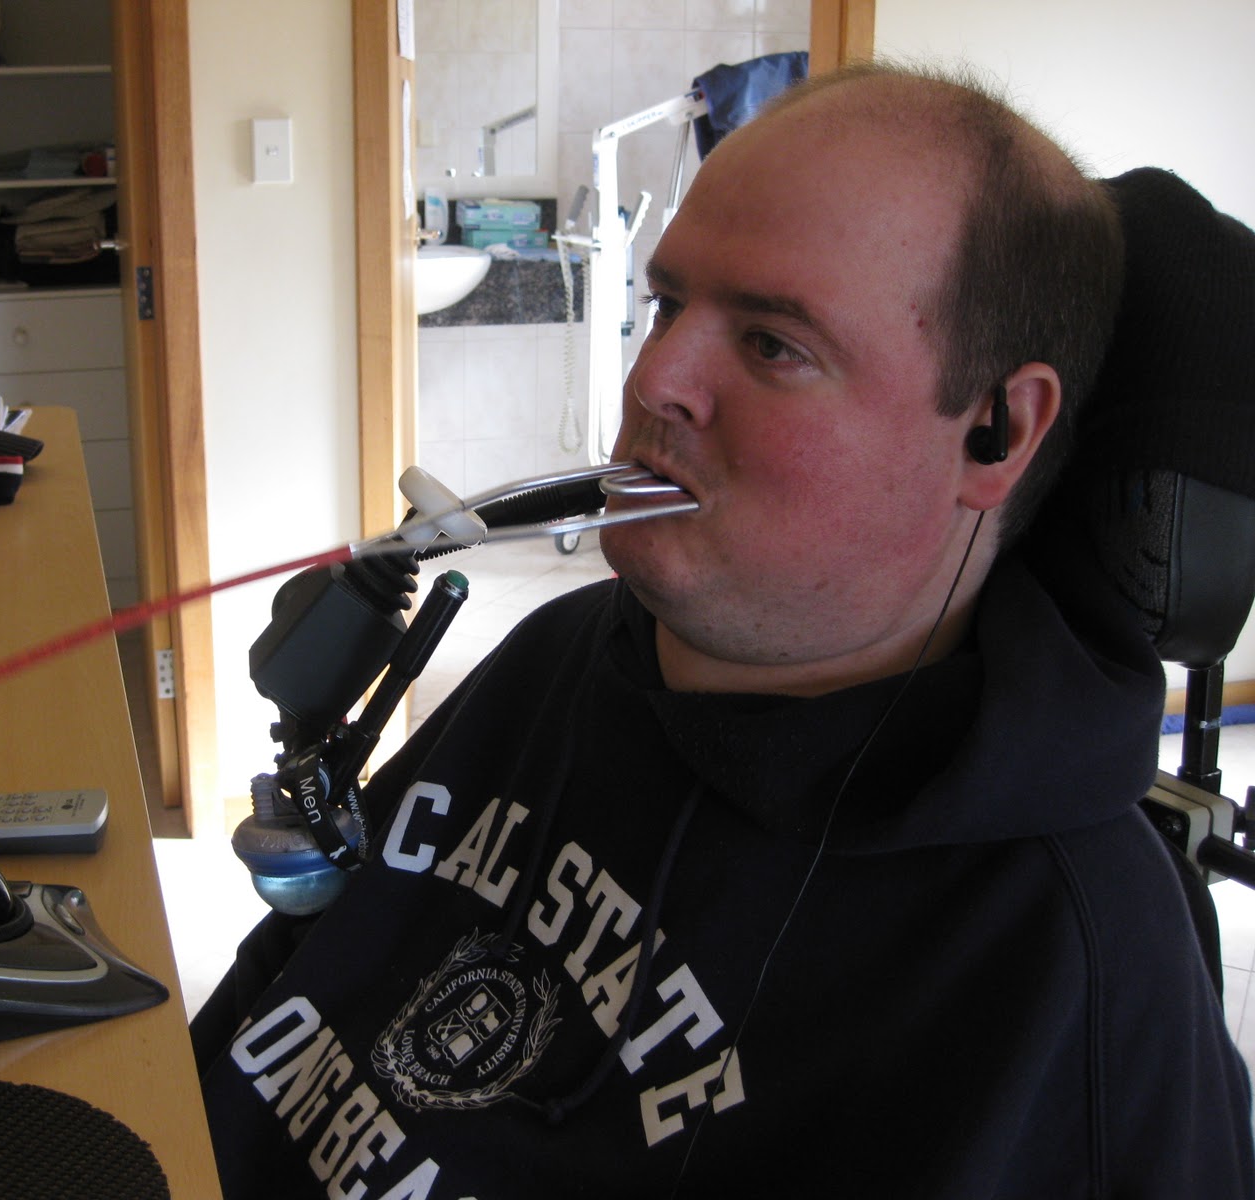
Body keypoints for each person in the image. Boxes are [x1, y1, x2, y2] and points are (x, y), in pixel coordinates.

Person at [190, 61, 1255, 1197]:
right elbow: (294, 989)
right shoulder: (566, 651)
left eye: (771, 344)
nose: (656, 379)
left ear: (998, 428)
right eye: (667, 306)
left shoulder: (1070, 968)